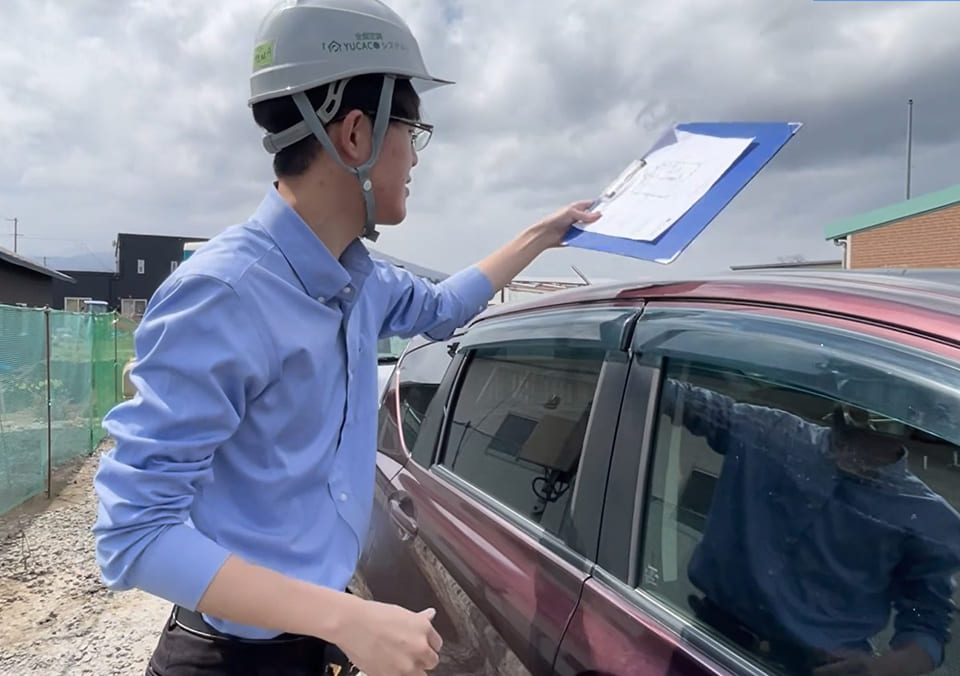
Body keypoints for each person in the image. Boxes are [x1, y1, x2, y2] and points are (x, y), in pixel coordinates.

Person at [90, 2, 601, 675]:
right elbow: (133, 534)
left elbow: (445, 308)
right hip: (229, 660)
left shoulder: (360, 280)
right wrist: (348, 618)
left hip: (311, 647)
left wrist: (542, 235)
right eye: (411, 130)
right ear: (355, 135)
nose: (416, 156)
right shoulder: (224, 294)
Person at [660, 377, 960, 676]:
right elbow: (681, 398)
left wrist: (875, 670)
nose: (856, 431)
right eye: (851, 413)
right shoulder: (771, 434)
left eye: (878, 422)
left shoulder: (927, 518)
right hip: (708, 643)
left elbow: (928, 628)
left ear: (911, 426)